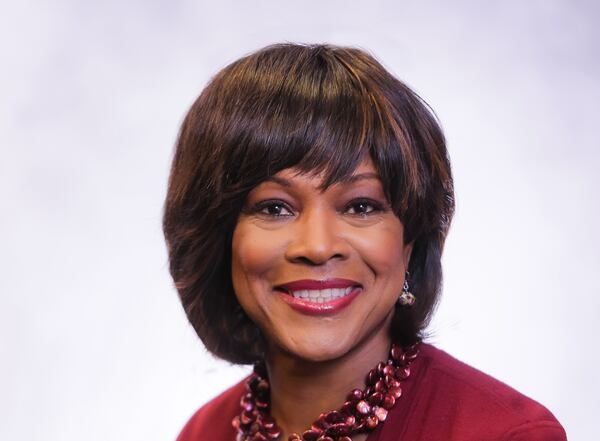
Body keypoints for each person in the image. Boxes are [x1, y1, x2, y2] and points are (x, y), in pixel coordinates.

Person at [163, 43, 566, 441]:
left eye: (360, 206)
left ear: (411, 238)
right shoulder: (205, 433)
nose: (318, 247)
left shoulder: (506, 434)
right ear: (220, 239)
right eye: (274, 208)